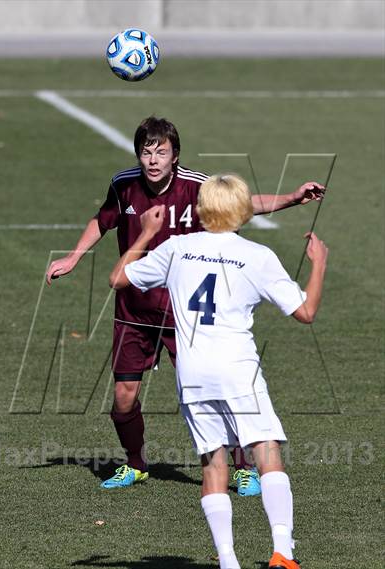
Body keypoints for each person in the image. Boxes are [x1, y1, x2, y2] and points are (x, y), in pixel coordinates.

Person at [46, 116, 325, 495]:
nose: (153, 159)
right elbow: (102, 220)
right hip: (135, 310)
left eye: (161, 152)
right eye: (147, 151)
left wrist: (292, 198)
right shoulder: (123, 185)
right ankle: (136, 463)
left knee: (215, 391)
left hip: (185, 313)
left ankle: (243, 468)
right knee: (124, 398)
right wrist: (74, 257)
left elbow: (243, 205)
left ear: (175, 156)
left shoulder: (196, 187)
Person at [109, 174, 328, 569]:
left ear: (201, 209)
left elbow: (118, 278)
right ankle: (283, 552)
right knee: (266, 452)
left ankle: (228, 562)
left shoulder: (176, 247)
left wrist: (145, 234)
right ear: (243, 212)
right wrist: (319, 266)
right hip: (237, 370)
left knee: (213, 463)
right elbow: (306, 312)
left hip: (193, 375)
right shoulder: (257, 255)